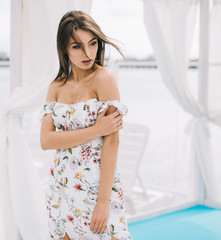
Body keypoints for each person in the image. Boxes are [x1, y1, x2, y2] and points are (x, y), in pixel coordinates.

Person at [39, 10, 133, 240]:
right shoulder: (56, 86)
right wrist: (96, 130)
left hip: (96, 187)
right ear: (64, 49)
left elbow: (112, 142)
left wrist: (103, 202)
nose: (88, 53)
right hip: (61, 186)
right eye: (77, 46)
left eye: (92, 43)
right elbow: (45, 141)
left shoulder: (104, 78)